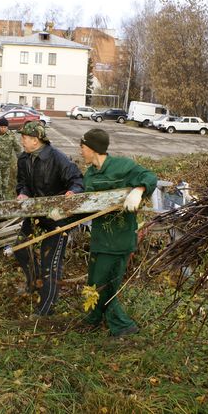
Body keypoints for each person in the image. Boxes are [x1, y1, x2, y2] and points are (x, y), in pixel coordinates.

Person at [79, 128, 157, 337]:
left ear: (94, 149)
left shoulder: (123, 166)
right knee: (94, 281)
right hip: (99, 238)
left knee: (108, 286)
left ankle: (123, 326)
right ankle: (93, 318)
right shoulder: (90, 174)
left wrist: (138, 190)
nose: (81, 151)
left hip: (119, 238)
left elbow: (149, 176)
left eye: (83, 147)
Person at [14, 121, 84, 317]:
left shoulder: (57, 158)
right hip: (36, 215)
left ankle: (47, 307)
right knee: (20, 248)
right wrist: (23, 193)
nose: (22, 140)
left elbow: (77, 180)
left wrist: (73, 191)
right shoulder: (23, 159)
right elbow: (22, 184)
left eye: (24, 138)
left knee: (50, 261)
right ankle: (35, 284)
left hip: (57, 218)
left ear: (35, 141)